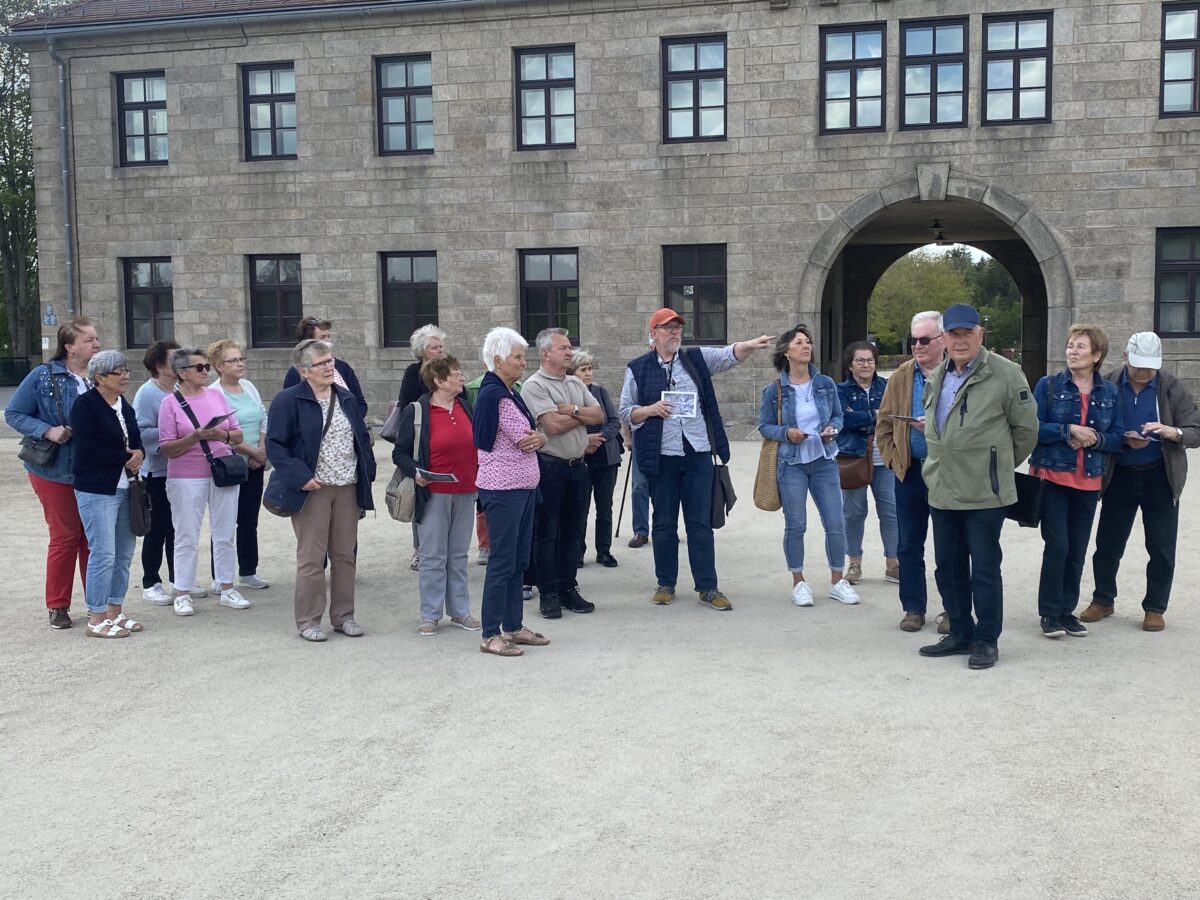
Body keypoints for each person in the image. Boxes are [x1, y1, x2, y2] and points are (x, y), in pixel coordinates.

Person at [619, 308, 773, 610]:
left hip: (697, 452)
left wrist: (750, 345)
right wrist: (651, 410)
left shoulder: (695, 359)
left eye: (677, 327)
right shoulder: (637, 368)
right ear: (653, 334)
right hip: (661, 456)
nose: (674, 332)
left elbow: (728, 355)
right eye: (667, 328)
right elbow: (625, 411)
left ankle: (708, 587)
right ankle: (665, 583)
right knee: (663, 522)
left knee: (700, 523)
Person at [918, 304, 1038, 670]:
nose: (960, 340)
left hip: (985, 493)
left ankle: (987, 639)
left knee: (984, 569)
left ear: (980, 334)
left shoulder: (1006, 373)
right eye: (953, 334)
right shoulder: (938, 375)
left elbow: (1026, 431)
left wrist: (995, 466)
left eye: (966, 333)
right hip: (942, 489)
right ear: (944, 339)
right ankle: (959, 632)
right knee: (947, 567)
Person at [1082, 332, 1200, 632]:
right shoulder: (1106, 383)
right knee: (1108, 543)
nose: (1144, 371)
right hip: (1119, 474)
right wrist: (1119, 439)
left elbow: (1195, 428)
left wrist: (1173, 432)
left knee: (1161, 546)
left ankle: (1155, 607)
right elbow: (1091, 425)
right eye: (1138, 365)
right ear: (1125, 358)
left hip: (1160, 474)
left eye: (1150, 366)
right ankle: (1103, 599)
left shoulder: (1172, 387)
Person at [266, 339, 376, 642]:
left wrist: (367, 471)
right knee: (312, 558)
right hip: (313, 489)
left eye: (331, 361)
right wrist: (301, 477)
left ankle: (344, 617)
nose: (330, 367)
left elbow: (361, 437)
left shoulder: (346, 397)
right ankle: (308, 621)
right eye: (321, 363)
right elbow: (275, 445)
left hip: (347, 486)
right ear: (304, 371)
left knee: (345, 556)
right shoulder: (287, 400)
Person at [5, 316, 100, 629]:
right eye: (89, 339)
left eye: (96, 339)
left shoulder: (100, 376)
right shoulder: (43, 376)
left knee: (92, 538)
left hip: (93, 469)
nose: (96, 344)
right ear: (70, 346)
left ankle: (96, 604)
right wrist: (47, 430)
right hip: (54, 469)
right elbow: (14, 413)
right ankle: (57, 605)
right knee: (65, 536)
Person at [1029, 325, 1123, 638]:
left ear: (1097, 355)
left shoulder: (1109, 392)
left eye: (1080, 347)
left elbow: (1117, 438)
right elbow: (1031, 428)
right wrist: (1067, 431)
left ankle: (1066, 612)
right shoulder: (1049, 385)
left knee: (1077, 549)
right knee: (1058, 545)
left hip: (1089, 481)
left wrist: (1093, 438)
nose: (1072, 351)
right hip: (1053, 477)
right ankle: (1049, 613)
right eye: (1070, 345)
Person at [758, 325, 859, 607]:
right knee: (796, 524)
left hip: (824, 459)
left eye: (808, 342)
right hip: (792, 464)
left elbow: (839, 416)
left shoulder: (826, 383)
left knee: (836, 522)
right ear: (786, 352)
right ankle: (798, 582)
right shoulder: (774, 390)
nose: (806, 346)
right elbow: (764, 426)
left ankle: (837, 581)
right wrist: (786, 433)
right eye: (799, 342)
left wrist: (832, 428)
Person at [473, 327, 550, 656]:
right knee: (503, 562)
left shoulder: (508, 390)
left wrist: (541, 436)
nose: (523, 362)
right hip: (504, 491)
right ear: (498, 359)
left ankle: (514, 626)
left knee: (518, 560)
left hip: (522, 488)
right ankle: (490, 633)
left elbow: (536, 435)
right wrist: (541, 436)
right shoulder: (497, 395)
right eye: (518, 357)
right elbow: (525, 436)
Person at [392, 355, 482, 636]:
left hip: (466, 491)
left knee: (458, 554)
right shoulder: (417, 411)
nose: (461, 377)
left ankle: (460, 611)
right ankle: (430, 614)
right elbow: (400, 453)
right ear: (439, 381)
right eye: (455, 374)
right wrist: (417, 471)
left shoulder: (466, 407)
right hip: (433, 493)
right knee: (432, 556)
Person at [158, 347, 248, 617]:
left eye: (207, 367)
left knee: (225, 532)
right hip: (186, 475)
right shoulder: (170, 403)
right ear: (182, 373)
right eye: (199, 367)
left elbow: (238, 436)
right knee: (186, 534)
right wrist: (195, 437)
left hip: (222, 470)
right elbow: (167, 448)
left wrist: (219, 434)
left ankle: (227, 586)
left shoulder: (216, 396)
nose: (205, 371)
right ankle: (182, 592)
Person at [521, 328, 603, 619]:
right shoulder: (534, 385)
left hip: (578, 467)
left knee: (573, 532)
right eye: (564, 348)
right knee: (547, 533)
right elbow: (552, 427)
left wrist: (570, 410)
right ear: (545, 353)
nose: (570, 352)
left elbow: (600, 415)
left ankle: (568, 587)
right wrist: (580, 415)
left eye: (570, 347)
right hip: (549, 467)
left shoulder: (573, 383)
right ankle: (549, 593)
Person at [877, 311, 948, 633]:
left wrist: (933, 427)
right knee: (908, 544)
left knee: (950, 544)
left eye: (924, 340)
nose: (917, 346)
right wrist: (894, 460)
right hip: (910, 471)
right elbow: (884, 425)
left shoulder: (957, 373)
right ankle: (913, 608)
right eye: (913, 340)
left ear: (942, 340)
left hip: (948, 472)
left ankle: (951, 609)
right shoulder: (902, 376)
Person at [70, 351, 145, 638]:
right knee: (103, 553)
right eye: (119, 371)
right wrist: (123, 457)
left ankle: (115, 611)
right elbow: (85, 448)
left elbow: (136, 438)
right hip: (97, 488)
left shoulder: (123, 403)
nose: (125, 375)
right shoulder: (85, 405)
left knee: (124, 553)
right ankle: (96, 617)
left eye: (126, 370)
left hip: (127, 486)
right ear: (100, 378)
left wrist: (139, 453)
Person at [836, 340, 899, 586]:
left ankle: (893, 564)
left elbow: (894, 417)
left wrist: (861, 416)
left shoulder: (888, 386)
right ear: (850, 365)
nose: (866, 365)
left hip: (885, 459)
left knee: (891, 512)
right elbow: (843, 419)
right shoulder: (840, 390)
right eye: (860, 360)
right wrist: (876, 414)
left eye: (870, 360)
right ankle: (854, 562)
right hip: (853, 458)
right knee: (853, 513)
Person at [210, 339, 271, 591]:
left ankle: (248, 571)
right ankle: (220, 576)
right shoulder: (214, 393)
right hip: (230, 463)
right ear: (218, 365)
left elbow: (262, 418)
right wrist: (250, 450)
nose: (239, 364)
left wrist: (262, 451)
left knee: (249, 519)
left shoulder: (248, 386)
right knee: (224, 521)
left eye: (241, 359)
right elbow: (220, 431)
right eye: (233, 360)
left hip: (255, 464)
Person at [133, 340, 180, 606]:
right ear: (160, 365)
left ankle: (177, 579)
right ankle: (151, 582)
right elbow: (142, 432)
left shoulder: (177, 389)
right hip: (158, 471)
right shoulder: (147, 393)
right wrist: (175, 436)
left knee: (177, 528)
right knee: (157, 527)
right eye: (175, 358)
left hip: (180, 469)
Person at [397, 324, 448, 571]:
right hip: (421, 440)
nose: (439, 350)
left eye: (441, 346)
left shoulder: (449, 370)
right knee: (422, 496)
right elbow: (406, 405)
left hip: (445, 441)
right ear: (422, 351)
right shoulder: (413, 372)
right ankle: (420, 550)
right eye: (434, 347)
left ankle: (443, 548)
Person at [571, 349, 623, 568]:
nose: (588, 373)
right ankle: (578, 552)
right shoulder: (569, 396)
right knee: (580, 508)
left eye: (590, 369)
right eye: (583, 370)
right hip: (580, 458)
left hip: (605, 458)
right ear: (572, 373)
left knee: (605, 507)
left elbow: (614, 421)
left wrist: (598, 438)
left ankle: (604, 551)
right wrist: (584, 441)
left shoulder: (600, 392)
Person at [282, 316, 367, 412]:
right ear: (308, 342)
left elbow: (360, 403)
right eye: (322, 337)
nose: (328, 341)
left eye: (328, 336)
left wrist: (352, 421)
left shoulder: (343, 367)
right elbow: (289, 408)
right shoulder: (295, 373)